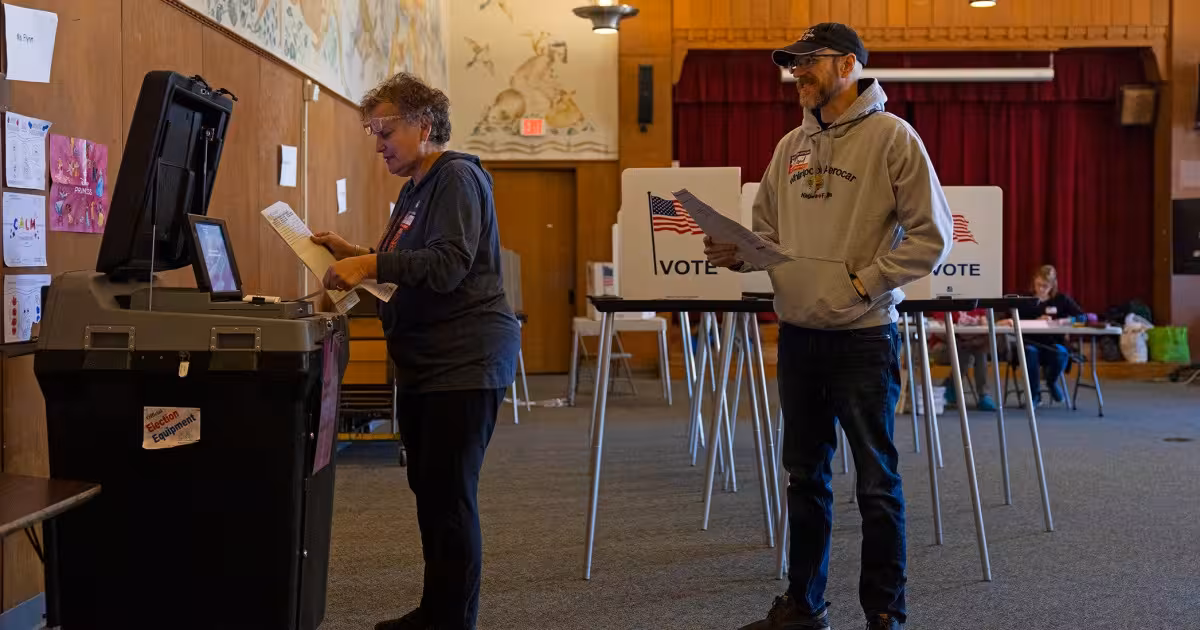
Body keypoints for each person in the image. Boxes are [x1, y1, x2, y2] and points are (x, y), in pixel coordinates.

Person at [705, 23, 952, 630]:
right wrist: (741, 251)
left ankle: (885, 612)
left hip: (864, 337)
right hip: (799, 337)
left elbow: (932, 238)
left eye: (807, 62)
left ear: (847, 65)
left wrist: (864, 284)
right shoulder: (789, 145)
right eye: (792, 64)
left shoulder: (895, 137)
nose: (797, 73)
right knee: (804, 477)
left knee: (876, 483)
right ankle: (804, 605)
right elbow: (768, 233)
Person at [312, 72, 521, 630]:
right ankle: (437, 612)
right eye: (372, 130)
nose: (377, 142)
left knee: (451, 498)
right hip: (428, 362)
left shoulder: (456, 176)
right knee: (430, 491)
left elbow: (450, 263)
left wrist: (368, 264)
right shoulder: (415, 188)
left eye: (385, 129)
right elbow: (410, 266)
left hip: (463, 359)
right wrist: (354, 252)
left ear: (424, 125)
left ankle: (452, 621)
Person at [1001, 264, 1083, 405]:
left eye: (1045, 286)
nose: (1041, 289)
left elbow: (1083, 317)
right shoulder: (1024, 300)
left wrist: (1065, 321)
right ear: (1034, 281)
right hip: (1029, 343)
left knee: (1062, 354)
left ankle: (1051, 382)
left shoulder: (1061, 299)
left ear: (1053, 285)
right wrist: (1034, 321)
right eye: (1038, 285)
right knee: (1030, 353)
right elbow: (1006, 319)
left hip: (1053, 343)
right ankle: (1034, 394)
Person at [929, 309, 998, 411]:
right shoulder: (946, 304)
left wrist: (971, 339)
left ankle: (952, 387)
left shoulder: (976, 306)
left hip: (969, 346)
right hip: (943, 347)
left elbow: (985, 326)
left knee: (980, 351)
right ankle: (982, 394)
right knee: (963, 349)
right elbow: (939, 330)